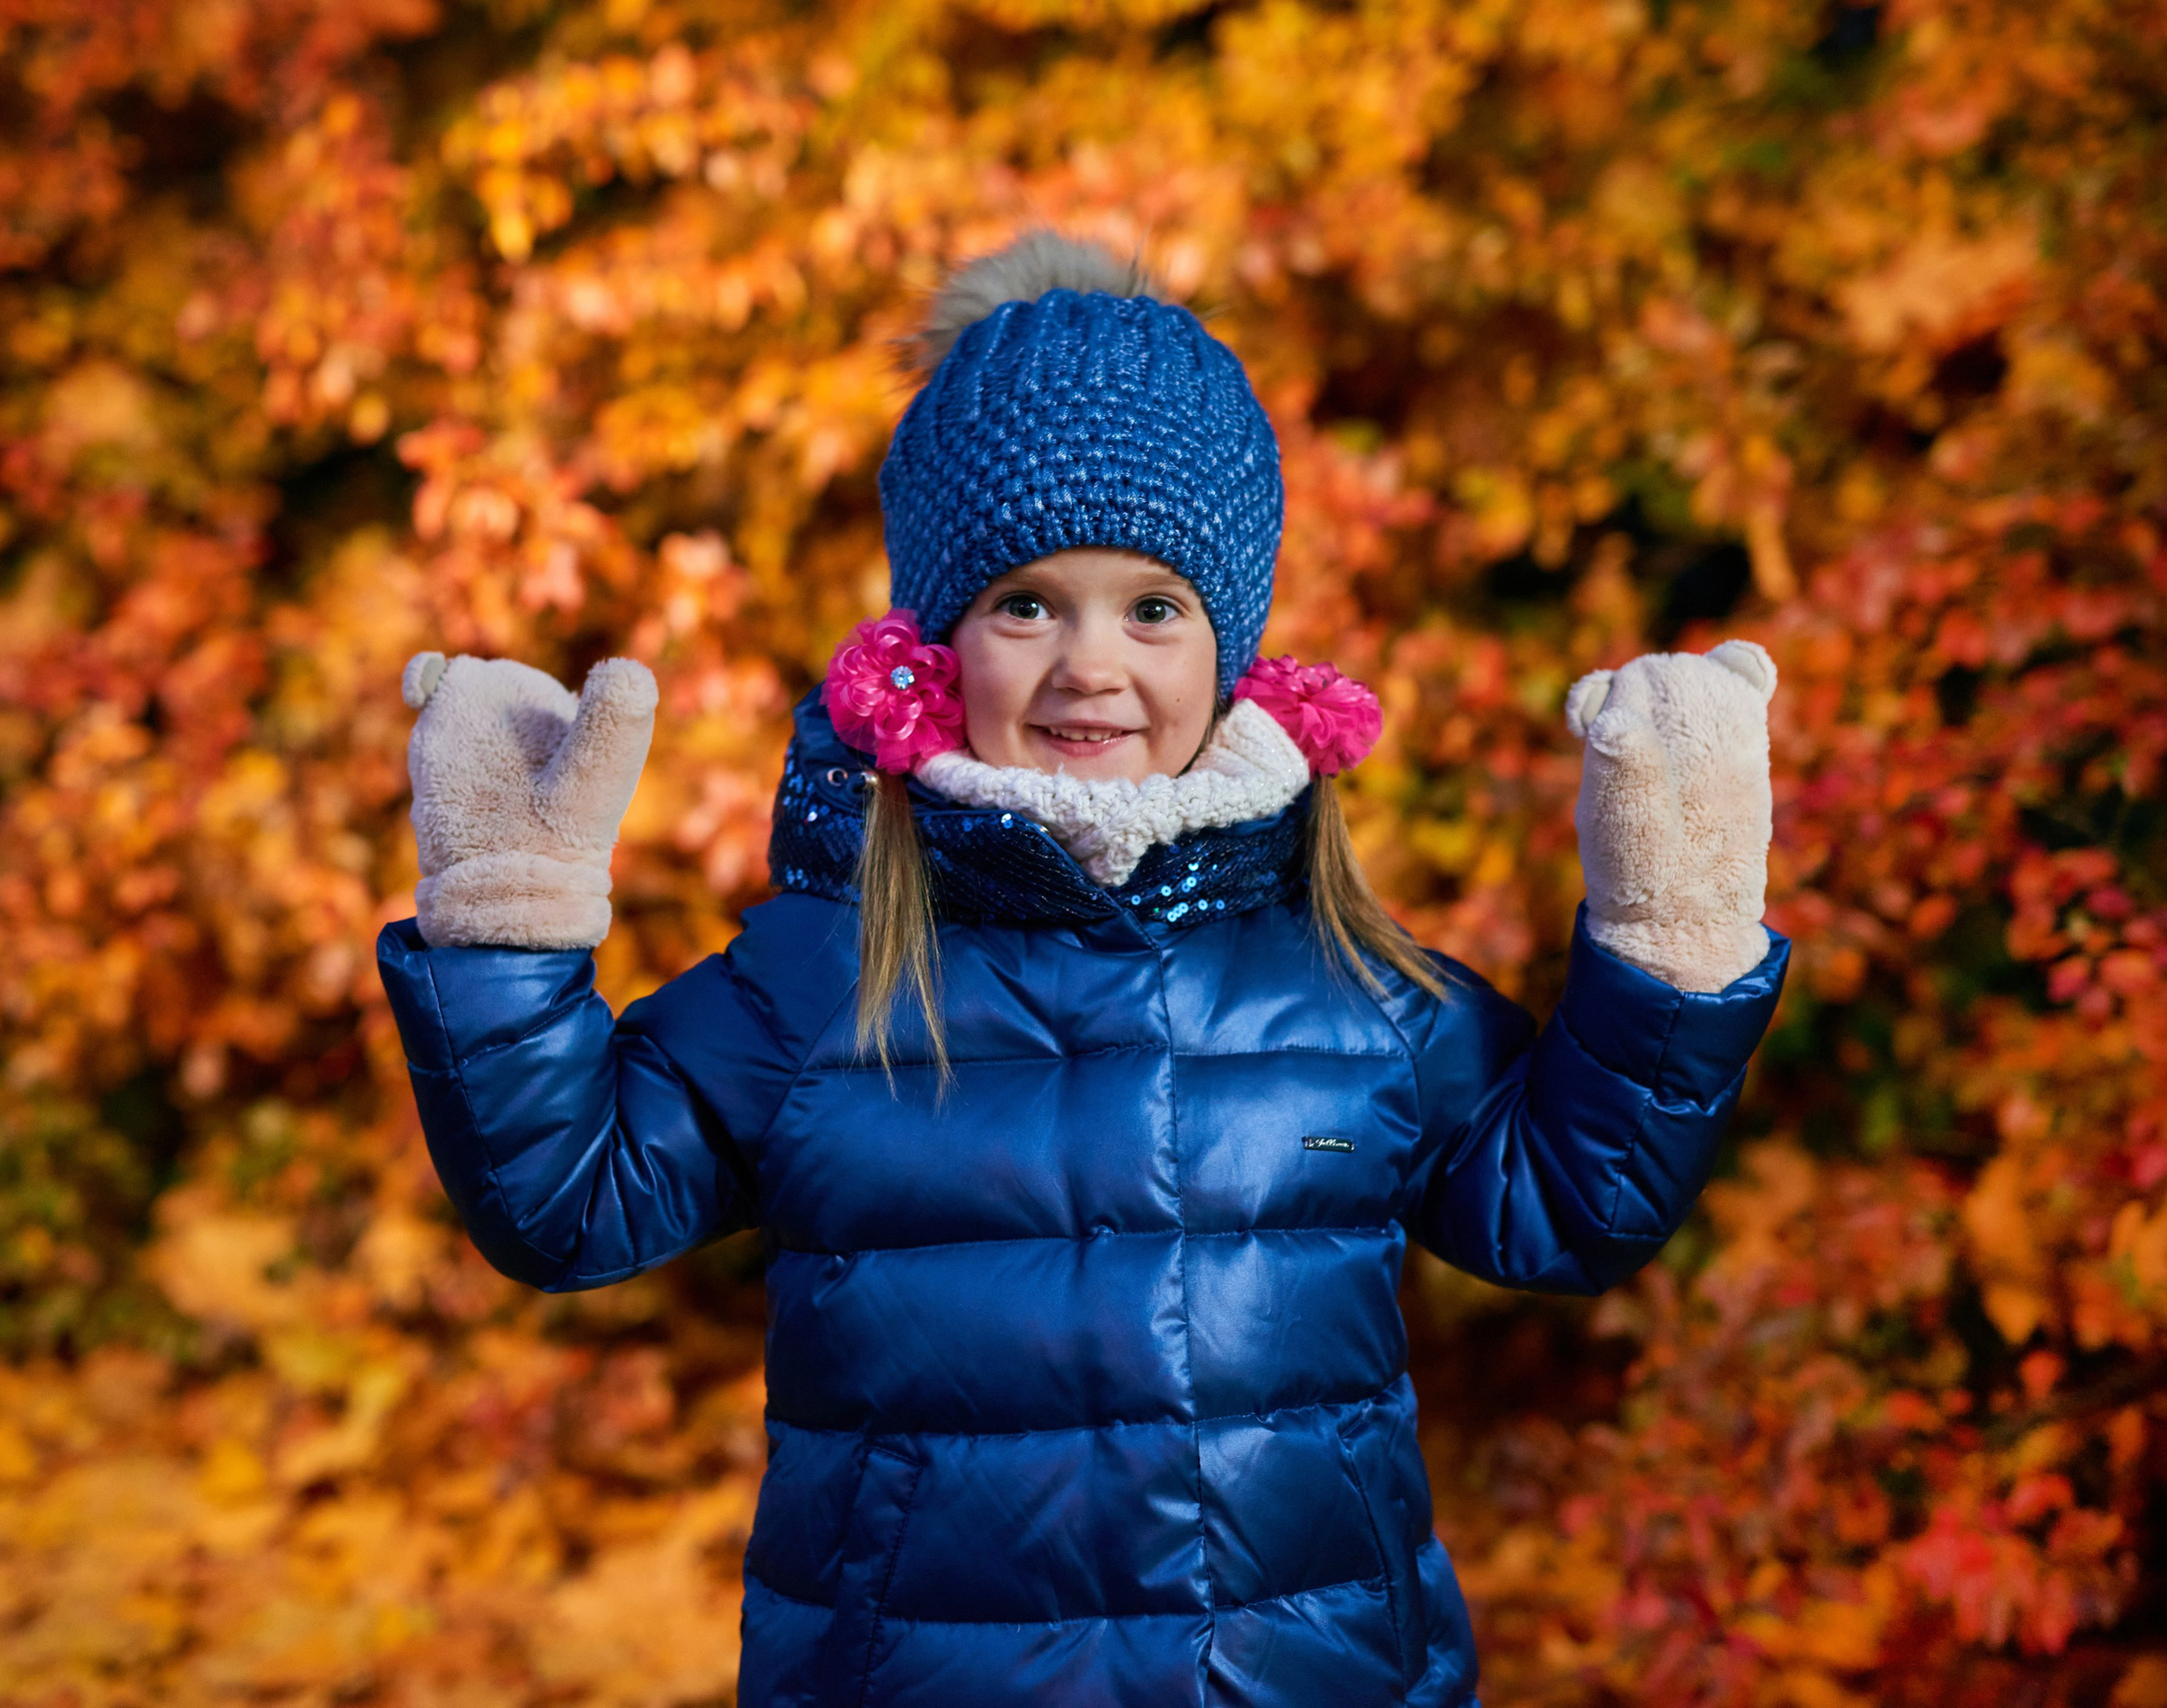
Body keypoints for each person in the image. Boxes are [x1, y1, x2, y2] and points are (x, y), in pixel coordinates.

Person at [376, 231, 1790, 1708]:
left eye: (1154, 606)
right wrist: (507, 932)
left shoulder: (1345, 989)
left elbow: (1570, 1208)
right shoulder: (828, 975)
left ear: (1234, 647)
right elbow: (566, 1203)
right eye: (1027, 602)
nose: (1090, 664)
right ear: (939, 642)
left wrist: (1666, 949)